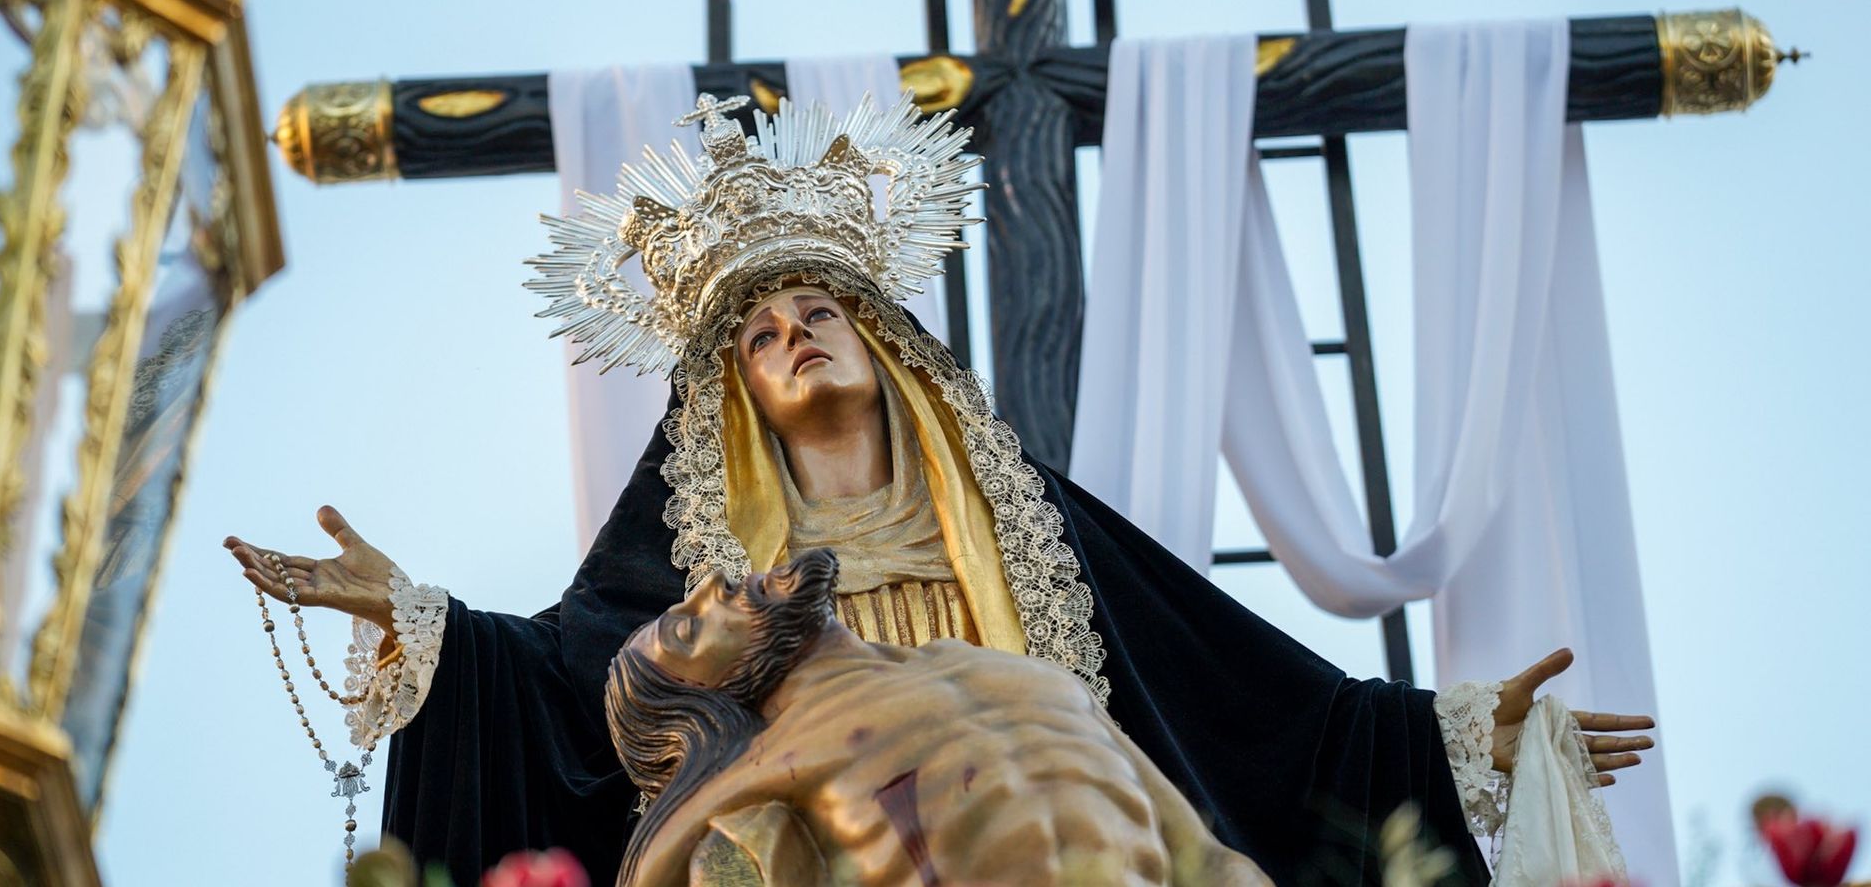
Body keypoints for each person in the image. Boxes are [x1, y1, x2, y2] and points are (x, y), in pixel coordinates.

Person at [223, 94, 1654, 885]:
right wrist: (420, 619)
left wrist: (1464, 734)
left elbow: (1251, 709)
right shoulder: (707, 573)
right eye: (760, 336)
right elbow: (567, 686)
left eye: (815, 311)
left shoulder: (1035, 533)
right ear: (731, 395)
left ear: (886, 342)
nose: (790, 338)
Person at [603, 547, 1271, 887]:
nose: (710, 587)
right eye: (690, 631)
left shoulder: (1018, 672)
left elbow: (1207, 858)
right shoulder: (778, 765)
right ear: (713, 696)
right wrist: (722, 784)